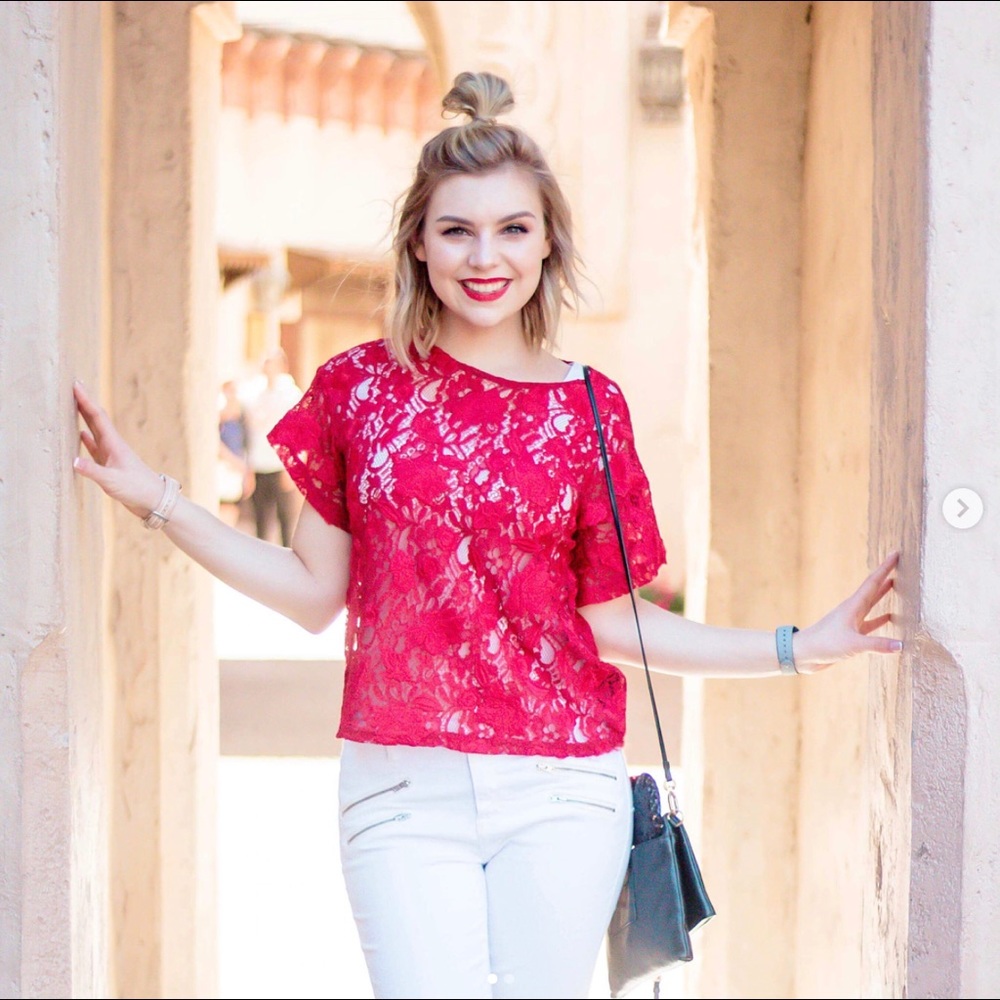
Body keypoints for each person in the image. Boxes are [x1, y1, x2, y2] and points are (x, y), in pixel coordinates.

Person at [72, 71, 902, 1000]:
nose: (485, 255)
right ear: (418, 246)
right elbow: (313, 595)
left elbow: (616, 624)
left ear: (548, 244)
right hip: (398, 789)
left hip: (562, 792)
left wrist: (798, 648)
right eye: (456, 229)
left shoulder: (590, 408)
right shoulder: (359, 391)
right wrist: (159, 499)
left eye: (513, 227)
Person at [243, 347, 302, 546]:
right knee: (261, 520)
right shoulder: (254, 393)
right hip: (259, 463)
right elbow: (250, 433)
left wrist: (292, 468)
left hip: (281, 465)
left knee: (285, 519)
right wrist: (248, 467)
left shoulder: (290, 394)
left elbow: (297, 433)